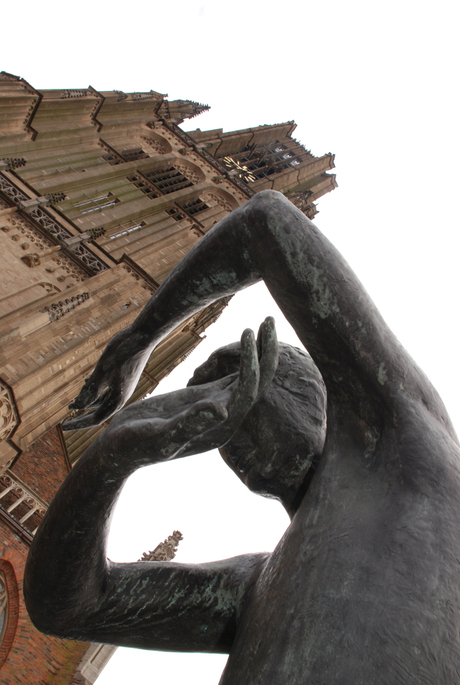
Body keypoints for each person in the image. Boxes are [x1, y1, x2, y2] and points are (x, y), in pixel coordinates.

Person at [24, 190, 460, 684]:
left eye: (241, 411)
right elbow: (66, 608)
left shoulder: (401, 443)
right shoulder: (254, 585)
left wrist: (140, 338)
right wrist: (115, 454)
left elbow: (265, 220)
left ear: (304, 397)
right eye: (220, 438)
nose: (234, 453)